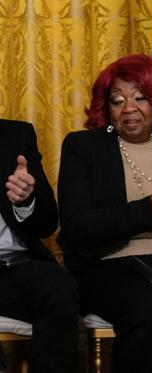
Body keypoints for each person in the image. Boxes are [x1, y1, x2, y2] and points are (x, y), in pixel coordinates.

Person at [58, 54, 152, 373]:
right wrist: (149, 206)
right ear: (106, 109)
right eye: (117, 100)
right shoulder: (83, 147)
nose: (129, 108)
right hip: (109, 265)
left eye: (140, 98)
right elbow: (77, 225)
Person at [0, 119, 78, 373]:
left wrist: (25, 201)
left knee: (58, 285)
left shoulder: (16, 135)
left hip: (17, 269)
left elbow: (47, 223)